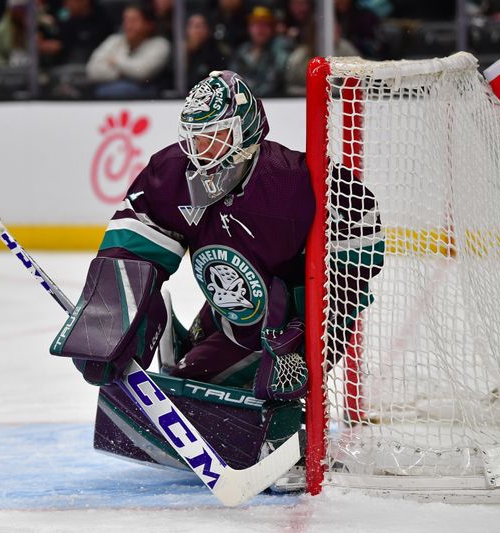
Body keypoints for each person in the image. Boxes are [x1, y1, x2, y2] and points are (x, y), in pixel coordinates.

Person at [51, 71, 383, 477]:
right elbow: (131, 252)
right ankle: (189, 341)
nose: (199, 150)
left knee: (231, 390)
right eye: (193, 137)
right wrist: (111, 323)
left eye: (213, 136)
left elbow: (359, 245)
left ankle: (282, 428)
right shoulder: (172, 174)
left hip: (287, 326)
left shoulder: (291, 182)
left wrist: (316, 335)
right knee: (190, 383)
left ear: (245, 131)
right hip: (229, 314)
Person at [85, 4, 170, 98]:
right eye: (125, 20)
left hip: (148, 96)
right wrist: (124, 73)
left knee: (123, 89)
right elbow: (92, 70)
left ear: (149, 24)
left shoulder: (160, 44)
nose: (128, 25)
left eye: (133, 21)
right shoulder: (114, 40)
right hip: (108, 94)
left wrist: (116, 62)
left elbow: (142, 72)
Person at [229, 7, 291, 97]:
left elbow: (276, 80)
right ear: (249, 28)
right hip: (245, 102)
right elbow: (233, 80)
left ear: (272, 29)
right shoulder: (242, 51)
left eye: (265, 25)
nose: (260, 30)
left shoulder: (279, 49)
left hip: (275, 101)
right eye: (256, 25)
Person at [55, 0, 112, 65]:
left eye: (71, 1)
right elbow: (60, 42)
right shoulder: (64, 18)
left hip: (96, 62)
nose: (66, 4)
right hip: (67, 64)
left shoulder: (101, 18)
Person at [185, 13, 227, 88]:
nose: (198, 31)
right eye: (195, 26)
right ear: (186, 30)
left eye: (202, 26)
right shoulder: (179, 53)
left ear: (208, 29)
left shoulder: (216, 54)